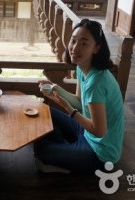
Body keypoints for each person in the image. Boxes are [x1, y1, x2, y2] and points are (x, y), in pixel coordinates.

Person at [34, 18, 124, 174]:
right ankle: (67, 151)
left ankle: (66, 154)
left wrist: (69, 110)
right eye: (73, 41)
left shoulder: (96, 82)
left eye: (84, 43)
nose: (74, 48)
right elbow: (79, 102)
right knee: (43, 111)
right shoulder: (83, 69)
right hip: (86, 133)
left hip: (101, 153)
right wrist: (57, 89)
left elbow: (99, 131)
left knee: (42, 150)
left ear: (96, 48)